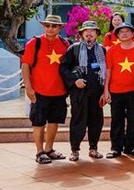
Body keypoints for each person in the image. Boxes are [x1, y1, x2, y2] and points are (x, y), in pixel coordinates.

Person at [21, 15, 70, 164]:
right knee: (38, 122)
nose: (50, 28)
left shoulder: (65, 43)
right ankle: (39, 151)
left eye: (54, 26)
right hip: (39, 90)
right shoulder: (34, 43)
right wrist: (28, 87)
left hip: (59, 91)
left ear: (60, 28)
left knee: (54, 121)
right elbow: (25, 66)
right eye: (47, 25)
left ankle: (49, 149)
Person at [59, 21, 107, 161]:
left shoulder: (102, 50)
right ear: (81, 34)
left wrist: (105, 91)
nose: (89, 34)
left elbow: (104, 71)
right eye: (86, 31)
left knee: (96, 121)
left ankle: (93, 148)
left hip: (96, 92)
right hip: (79, 93)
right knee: (78, 121)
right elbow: (64, 68)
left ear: (97, 34)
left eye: (92, 31)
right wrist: (75, 80)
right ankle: (75, 150)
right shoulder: (74, 49)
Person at [102, 22, 134, 158]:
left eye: (127, 31)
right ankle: (116, 147)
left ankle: (133, 146)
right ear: (117, 35)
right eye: (121, 32)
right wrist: (106, 90)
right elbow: (108, 70)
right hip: (116, 90)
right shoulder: (112, 51)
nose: (124, 33)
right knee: (116, 119)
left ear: (133, 34)